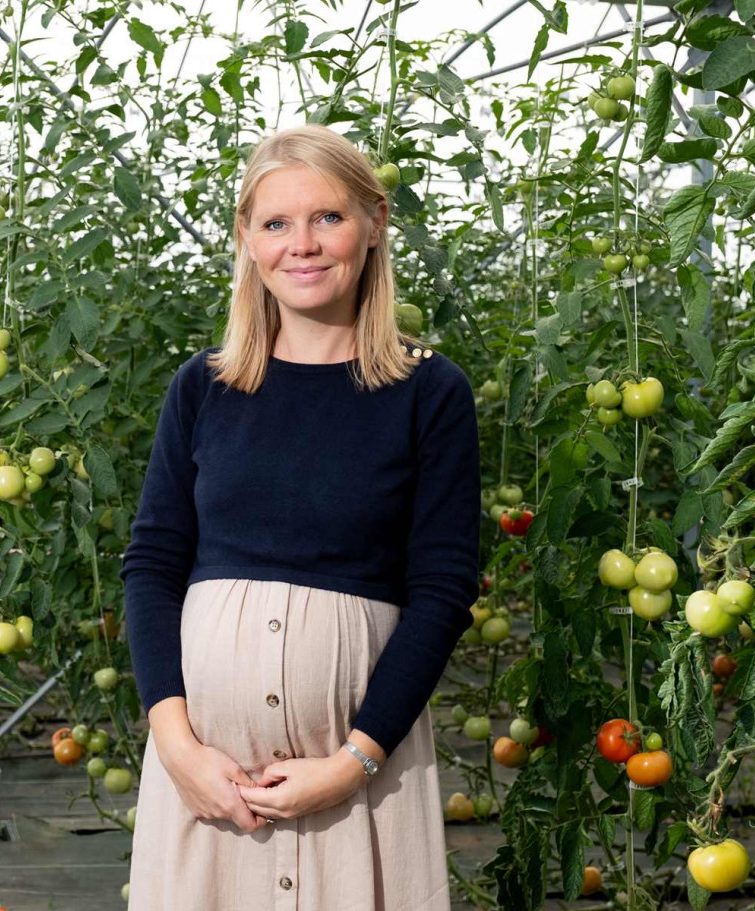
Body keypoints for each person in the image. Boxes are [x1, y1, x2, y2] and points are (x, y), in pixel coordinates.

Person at [118, 124, 481, 910]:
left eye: (328, 217)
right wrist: (177, 749)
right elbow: (151, 568)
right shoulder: (204, 387)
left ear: (375, 222)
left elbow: (445, 588)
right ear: (247, 239)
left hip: (358, 777)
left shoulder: (429, 391)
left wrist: (355, 760)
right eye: (276, 223)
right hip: (211, 780)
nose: (303, 245)